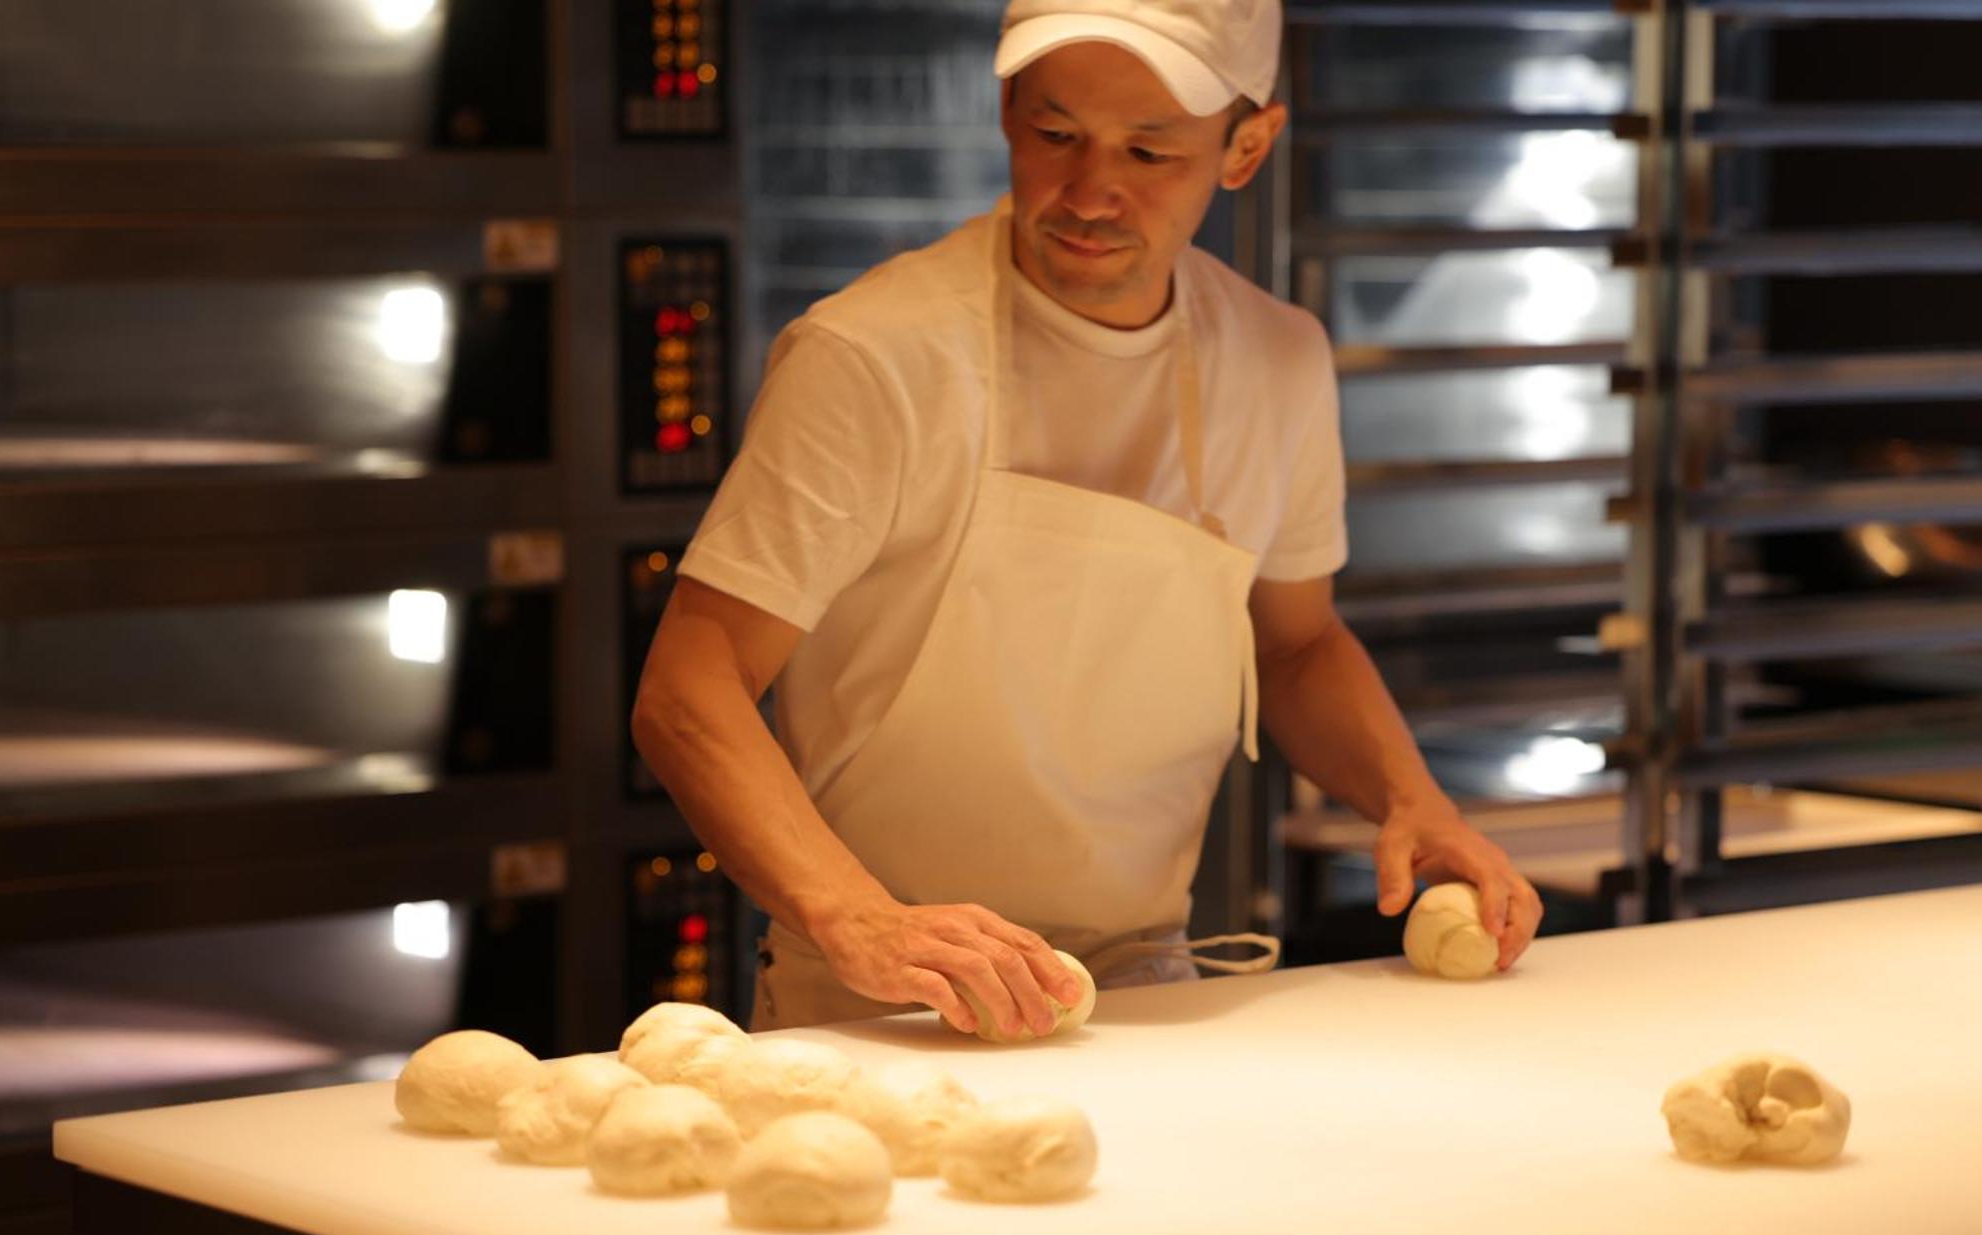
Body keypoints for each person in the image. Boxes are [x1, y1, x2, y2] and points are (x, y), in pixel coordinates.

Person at [634, 0, 1543, 1036]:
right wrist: (857, 917)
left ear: (1245, 146)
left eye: (1148, 151)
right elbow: (688, 690)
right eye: (1053, 135)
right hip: (882, 1003)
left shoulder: (1277, 360)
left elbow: (1293, 645)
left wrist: (1409, 801)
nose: (1088, 193)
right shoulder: (871, 358)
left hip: (1146, 995)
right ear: (1006, 113)